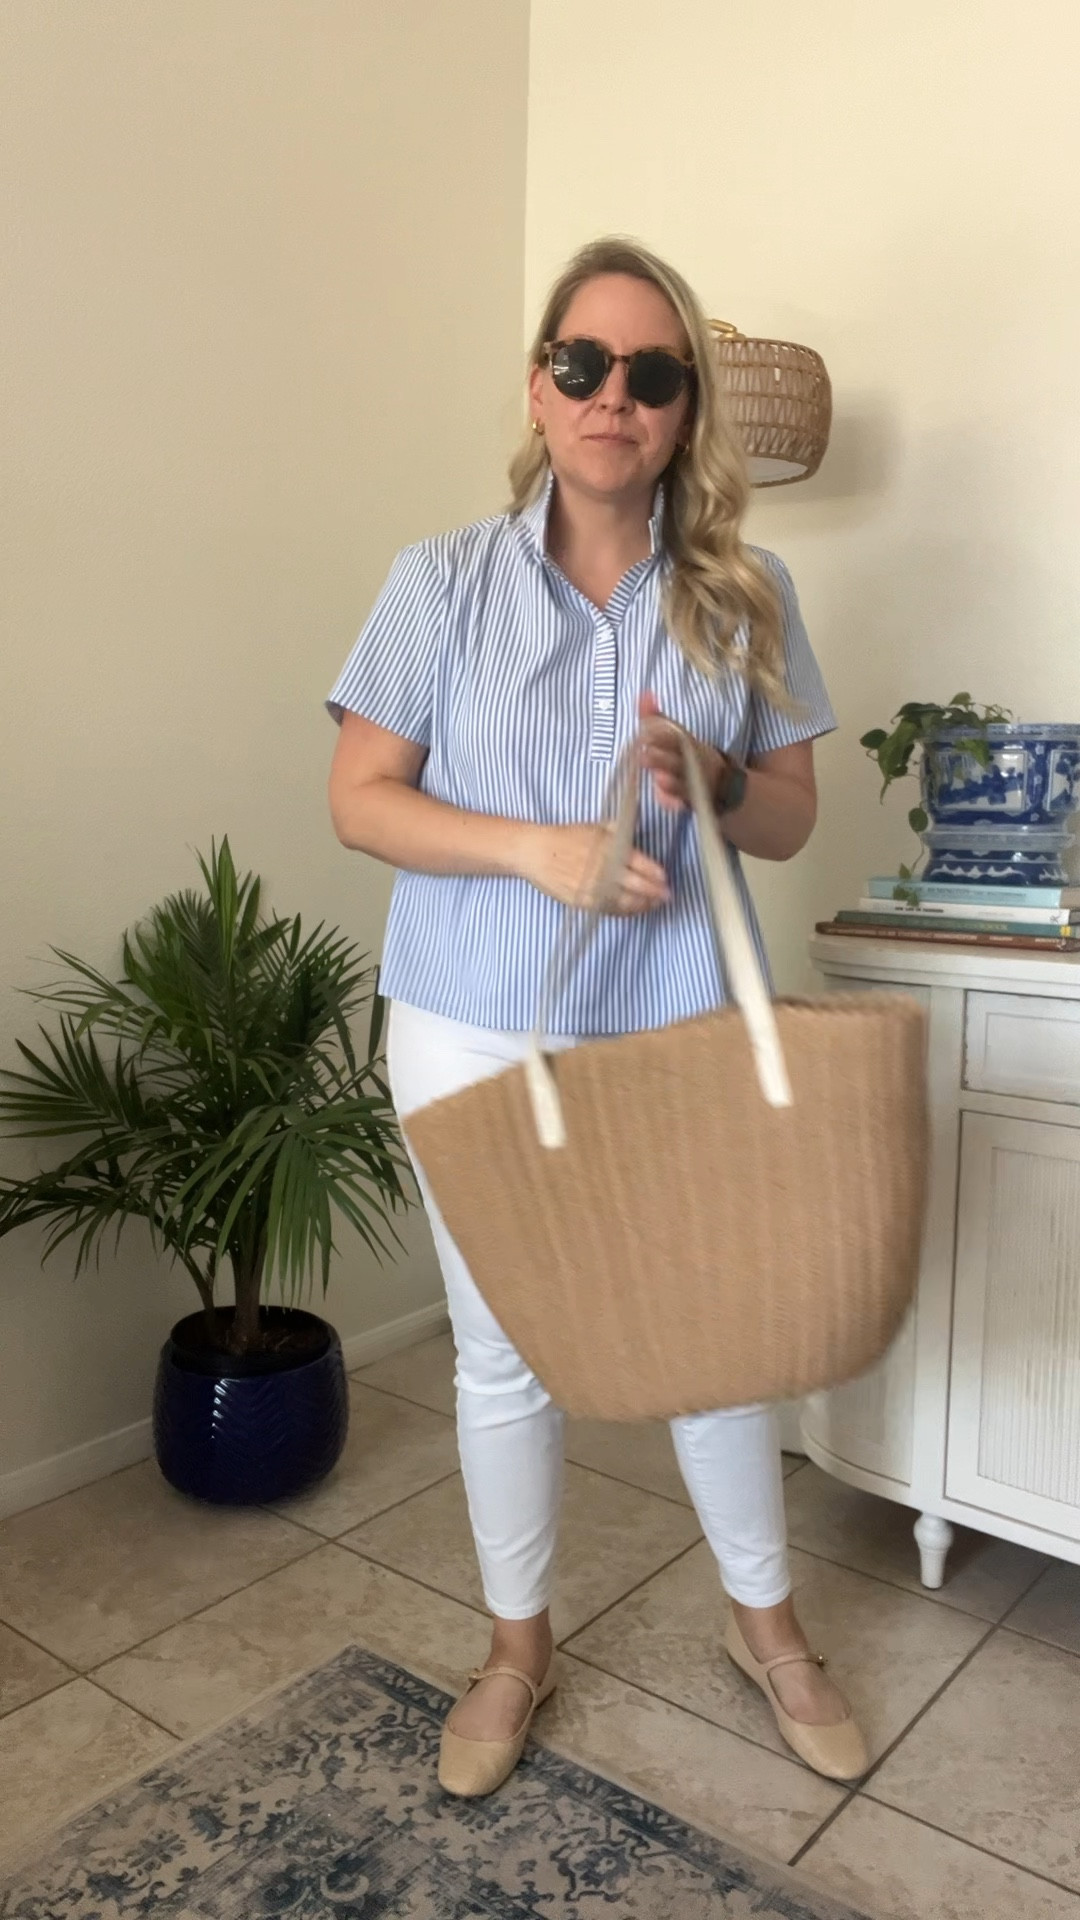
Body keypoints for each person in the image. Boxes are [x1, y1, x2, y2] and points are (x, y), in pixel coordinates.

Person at [326, 236, 868, 1798]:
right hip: (468, 1018)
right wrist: (536, 846)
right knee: (501, 1352)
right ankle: (517, 1646)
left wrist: (707, 778)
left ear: (685, 409)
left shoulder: (746, 591)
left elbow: (784, 822)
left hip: (675, 1020)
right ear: (540, 384)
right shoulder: (436, 580)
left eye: (651, 373)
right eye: (584, 364)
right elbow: (361, 803)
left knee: (710, 1344)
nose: (612, 397)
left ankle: (765, 1627)